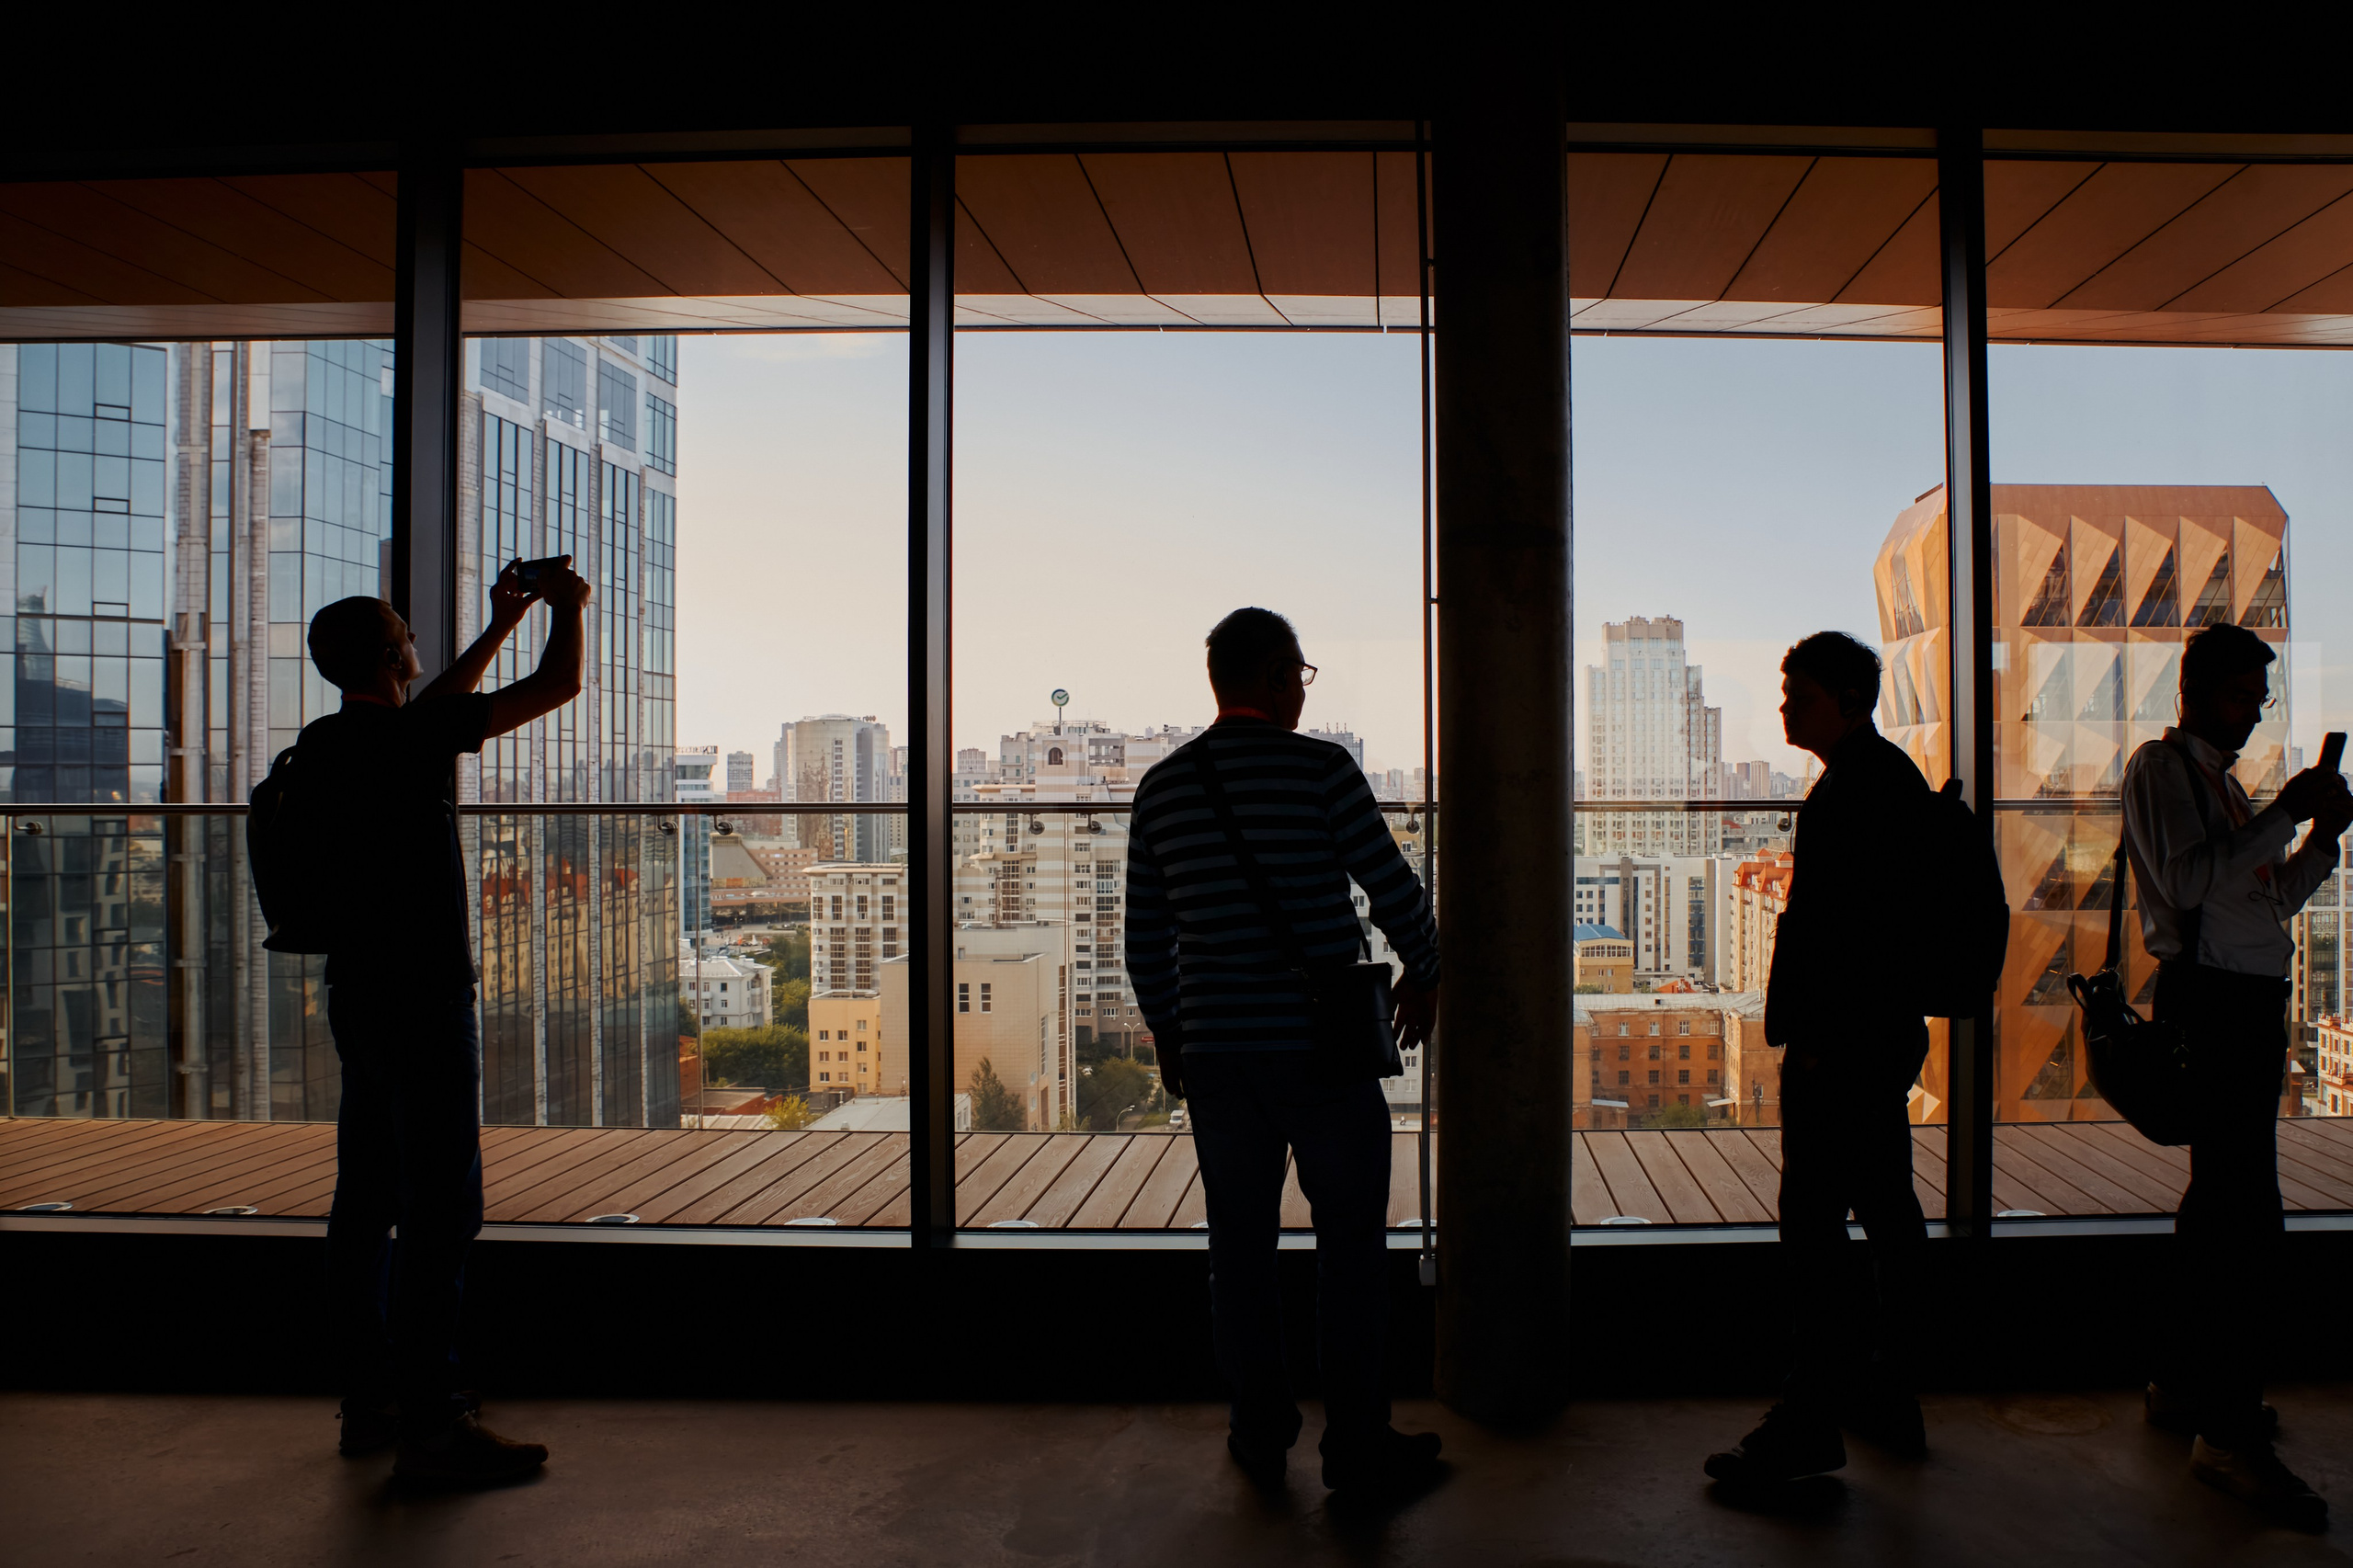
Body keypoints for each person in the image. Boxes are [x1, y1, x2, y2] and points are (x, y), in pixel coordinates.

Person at [1126, 607, 1443, 1494]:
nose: (1304, 694)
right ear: (1272, 676)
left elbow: (1145, 945)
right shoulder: (1323, 773)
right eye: (1300, 677)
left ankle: (1260, 1431)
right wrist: (1426, 970)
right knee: (1349, 1249)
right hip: (1325, 1050)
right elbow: (1392, 887)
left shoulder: (1162, 790)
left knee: (1240, 1248)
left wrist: (1171, 1039)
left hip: (1220, 1055)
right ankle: (1356, 1444)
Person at [304, 558, 591, 1483]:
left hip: (357, 994)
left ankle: (372, 1399)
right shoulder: (413, 740)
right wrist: (566, 608)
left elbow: (432, 705)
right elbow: (561, 685)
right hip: (425, 1000)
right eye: (407, 635)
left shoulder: (325, 743)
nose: (418, 646)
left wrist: (501, 623)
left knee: (365, 1202)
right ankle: (436, 1420)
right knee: (440, 1211)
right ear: (396, 655)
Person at [2122, 622, 2347, 1530]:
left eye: (2259, 700)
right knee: (2243, 1216)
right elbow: (2183, 882)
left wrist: (2319, 842)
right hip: (2213, 1008)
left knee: (2215, 1207)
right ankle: (2224, 1432)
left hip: (2240, 1009)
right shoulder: (2162, 770)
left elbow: (2263, 900)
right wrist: (2283, 814)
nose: (2253, 714)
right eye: (2240, 697)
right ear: (2194, 689)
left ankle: (2184, 1386)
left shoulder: (2220, 783)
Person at [1707, 631, 1933, 1486]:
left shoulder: (1850, 796)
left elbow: (1841, 938)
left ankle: (1809, 1421)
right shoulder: (1885, 781)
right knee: (1886, 1212)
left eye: (1796, 693)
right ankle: (1886, 1394)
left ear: (1845, 699)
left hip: (1841, 1049)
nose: (1783, 706)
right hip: (1878, 1042)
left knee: (1814, 1231)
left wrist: (1810, 1046)